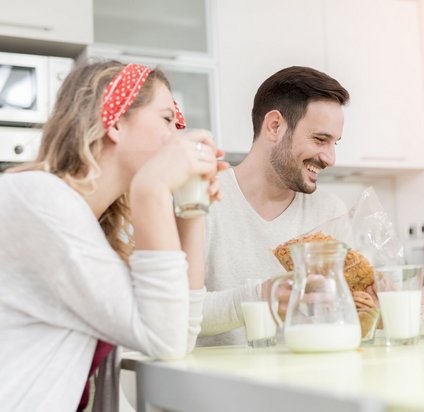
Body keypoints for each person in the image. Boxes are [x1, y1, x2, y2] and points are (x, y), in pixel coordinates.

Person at [0, 61, 227, 411]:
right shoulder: (39, 200)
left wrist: (192, 208)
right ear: (117, 121)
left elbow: (177, 335)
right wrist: (152, 188)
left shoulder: (86, 224)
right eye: (167, 119)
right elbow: (165, 339)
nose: (177, 139)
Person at [198, 66, 375, 347]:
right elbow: (175, 313)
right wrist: (262, 297)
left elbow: (343, 315)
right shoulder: (203, 199)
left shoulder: (330, 212)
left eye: (335, 143)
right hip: (213, 375)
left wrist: (370, 306)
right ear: (274, 126)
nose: (330, 158)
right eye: (320, 139)